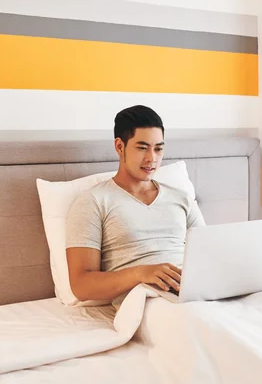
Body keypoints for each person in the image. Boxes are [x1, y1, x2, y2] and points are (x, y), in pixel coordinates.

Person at [66, 105, 205, 305]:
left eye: (158, 149)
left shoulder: (181, 198)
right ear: (119, 146)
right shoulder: (93, 202)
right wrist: (141, 273)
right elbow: (81, 285)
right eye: (142, 148)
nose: (152, 158)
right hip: (146, 300)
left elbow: (207, 258)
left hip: (192, 292)